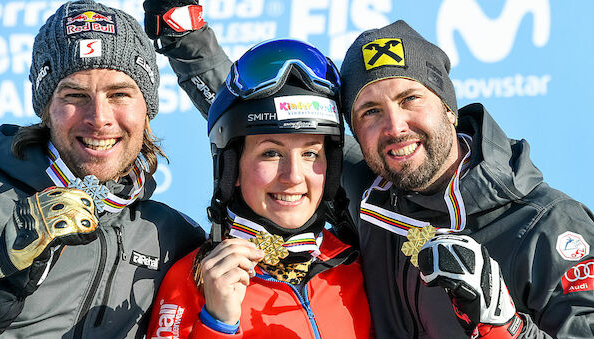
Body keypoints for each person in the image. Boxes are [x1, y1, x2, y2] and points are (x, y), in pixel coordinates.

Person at [143, 2, 594, 338]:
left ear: (448, 107)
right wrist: (185, 35)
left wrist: (507, 325)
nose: (394, 127)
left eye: (409, 99)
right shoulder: (373, 194)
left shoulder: (547, 227)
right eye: (370, 112)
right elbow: (263, 123)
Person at [0, 1, 205, 337]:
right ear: (47, 109)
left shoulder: (172, 237)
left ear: (147, 109)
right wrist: (3, 277)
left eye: (119, 94)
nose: (99, 118)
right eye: (75, 95)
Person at [145, 38, 372, 338]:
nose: (293, 176)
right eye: (271, 153)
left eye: (310, 154)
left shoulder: (358, 263)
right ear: (232, 169)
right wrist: (218, 324)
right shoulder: (193, 281)